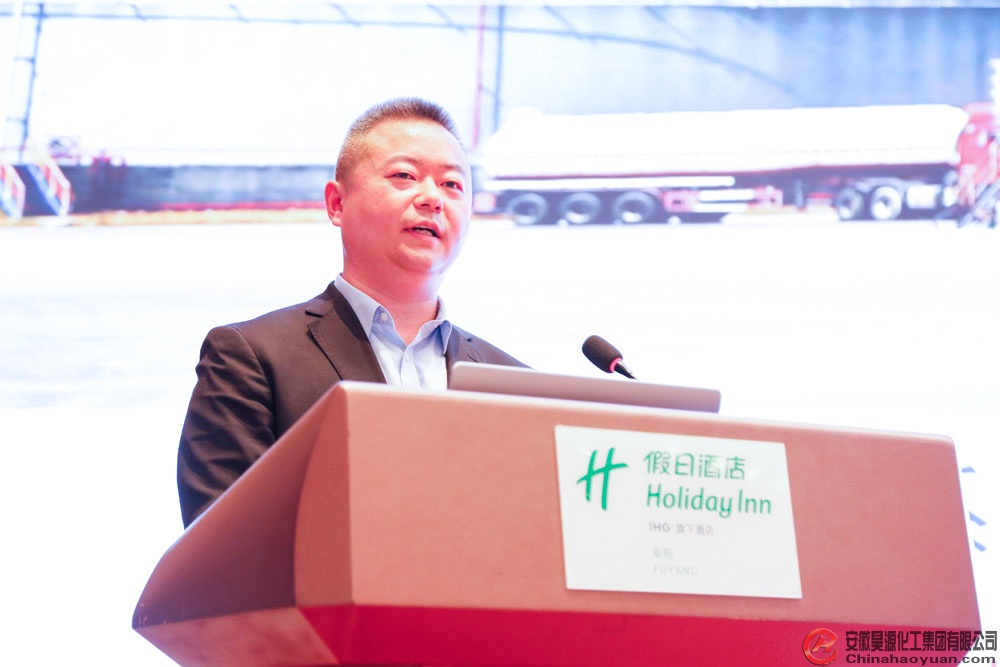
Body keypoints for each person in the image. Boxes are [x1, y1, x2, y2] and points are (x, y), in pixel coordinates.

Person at [176, 97, 526, 527]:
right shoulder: (252, 359)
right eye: (405, 176)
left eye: (452, 185)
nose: (433, 198)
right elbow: (223, 539)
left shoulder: (513, 383)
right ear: (337, 204)